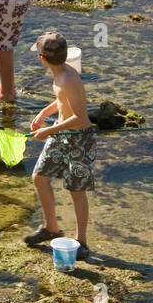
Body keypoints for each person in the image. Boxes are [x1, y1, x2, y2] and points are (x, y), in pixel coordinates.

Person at [23, 31, 94, 260]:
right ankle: (51, 227)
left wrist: (48, 131)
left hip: (77, 139)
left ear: (41, 58)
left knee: (76, 189)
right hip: (60, 132)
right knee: (40, 177)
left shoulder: (68, 78)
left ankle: (81, 241)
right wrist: (45, 113)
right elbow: (63, 101)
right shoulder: (60, 74)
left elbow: (81, 118)